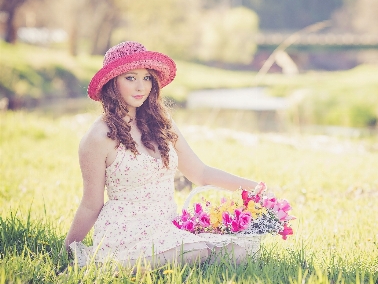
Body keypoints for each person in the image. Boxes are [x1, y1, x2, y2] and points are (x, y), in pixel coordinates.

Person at [64, 41, 260, 268]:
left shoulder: (161, 124)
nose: (141, 87)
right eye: (130, 78)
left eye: (146, 78)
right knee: (194, 252)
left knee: (240, 252)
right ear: (112, 82)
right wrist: (69, 249)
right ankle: (110, 263)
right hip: (126, 232)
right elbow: (91, 204)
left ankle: (190, 257)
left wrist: (252, 188)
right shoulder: (98, 137)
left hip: (167, 226)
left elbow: (201, 173)